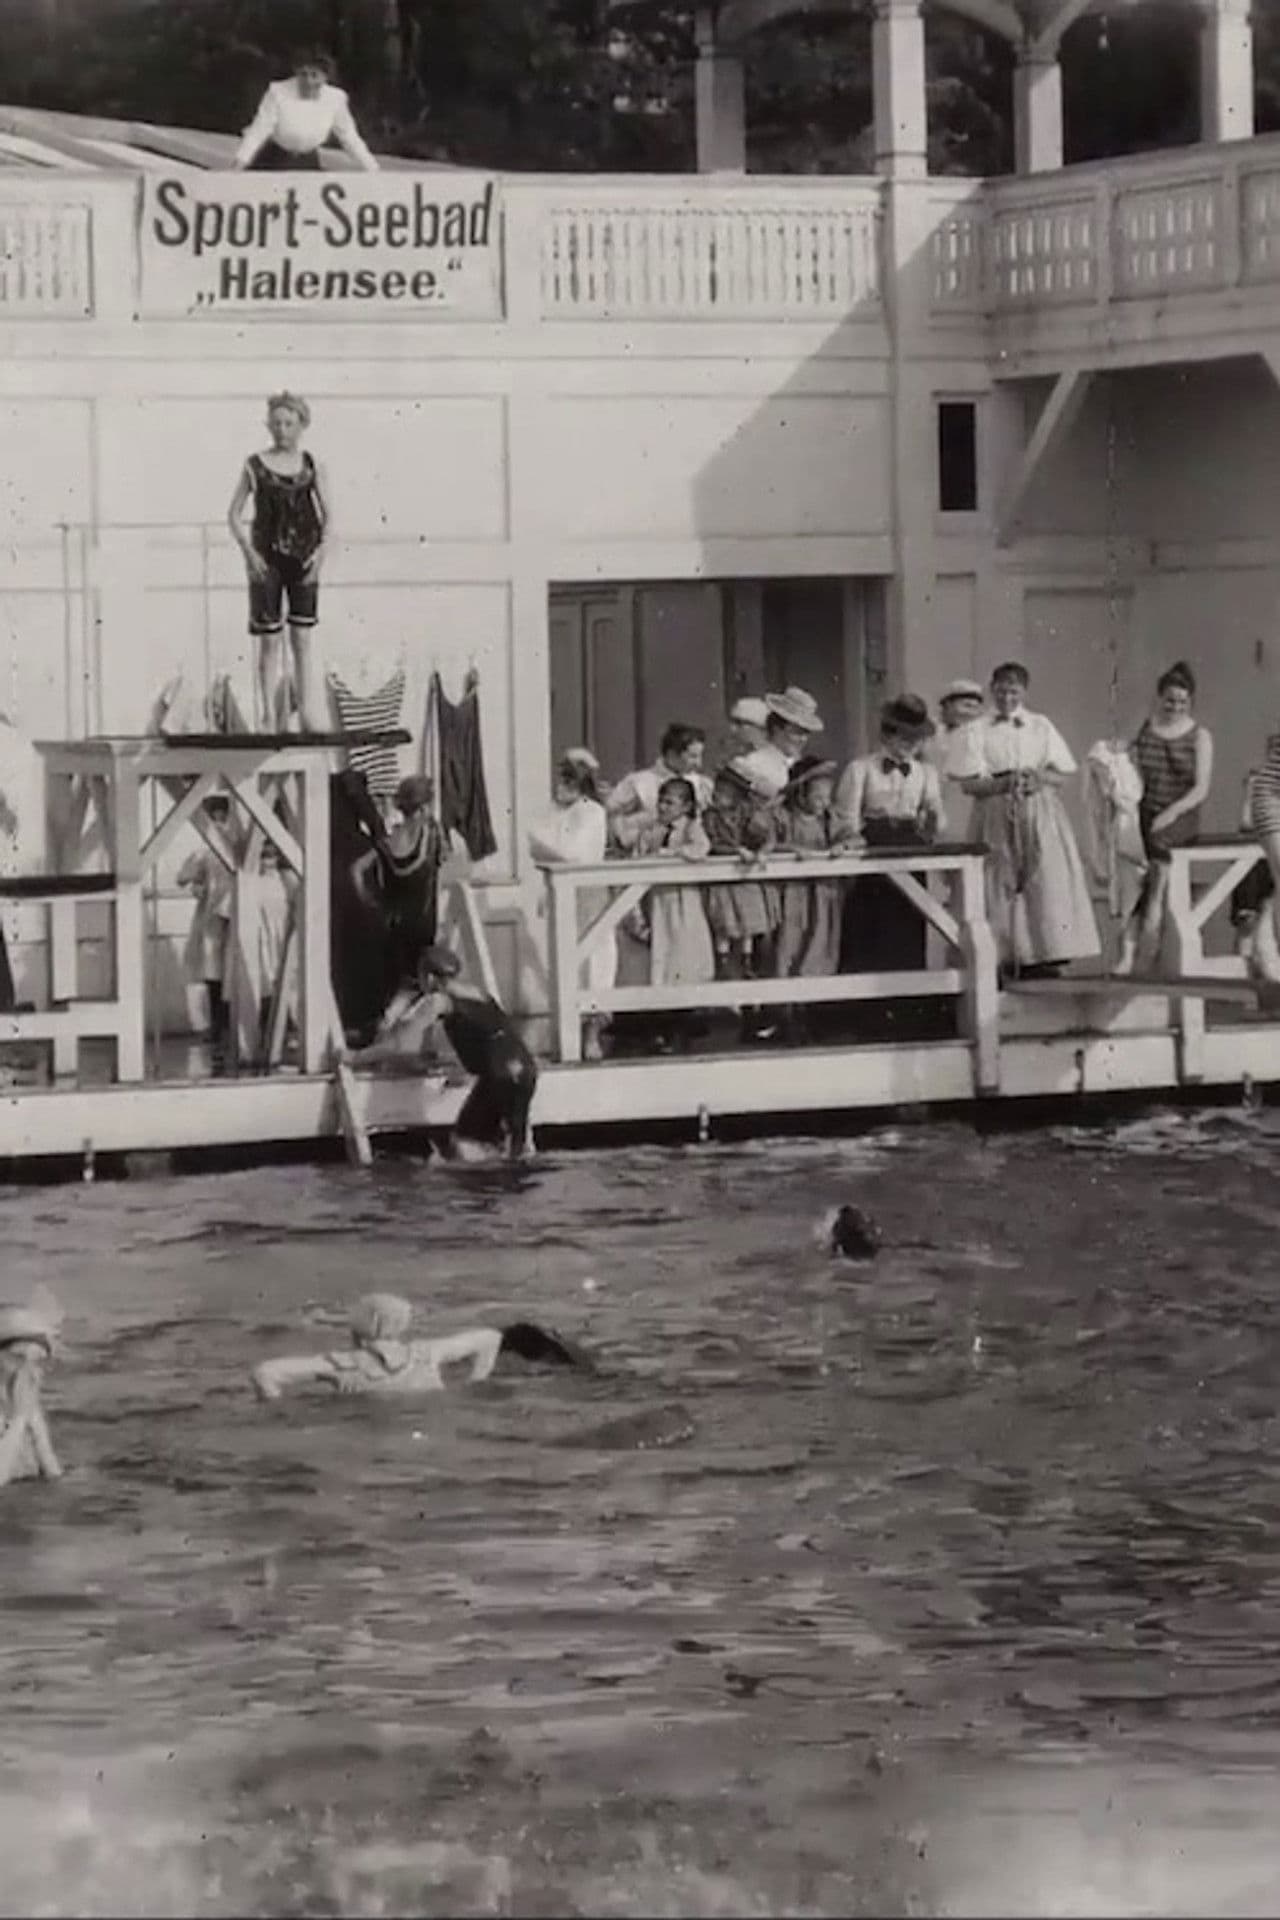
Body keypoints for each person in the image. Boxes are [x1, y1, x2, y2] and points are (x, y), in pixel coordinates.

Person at [952, 662, 1099, 982]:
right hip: (995, 809)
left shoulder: (1040, 725)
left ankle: (1044, 955)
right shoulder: (976, 730)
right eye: (1002, 690)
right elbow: (968, 784)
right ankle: (1002, 958)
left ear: (1024, 692)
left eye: (1014, 691)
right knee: (998, 879)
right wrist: (1001, 785)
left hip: (1038, 808)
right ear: (992, 689)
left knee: (1044, 878)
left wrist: (1040, 779)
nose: (1007, 696)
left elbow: (1063, 773)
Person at [833, 695, 946, 1037]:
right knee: (872, 936)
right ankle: (869, 1018)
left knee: (910, 932)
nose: (910, 745)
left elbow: (937, 816)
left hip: (911, 852)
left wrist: (932, 820)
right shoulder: (861, 769)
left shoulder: (926, 773)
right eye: (903, 738)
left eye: (916, 739)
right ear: (887, 736)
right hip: (874, 853)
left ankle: (908, 1016)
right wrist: (856, 837)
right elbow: (845, 818)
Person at [252, 1292, 588, 1402]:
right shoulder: (427, 1353)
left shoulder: (341, 1365)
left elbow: (266, 1371)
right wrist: (476, 1383)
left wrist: (276, 1409)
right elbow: (489, 1338)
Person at [227, 393, 330, 733]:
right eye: (277, 423)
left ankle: (307, 712)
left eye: (289, 423)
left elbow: (329, 517)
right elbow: (233, 515)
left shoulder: (312, 464)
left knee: (302, 637)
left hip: (303, 557)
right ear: (268, 425)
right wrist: (248, 552)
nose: (282, 430)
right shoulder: (255, 465)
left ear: (302, 425)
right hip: (266, 559)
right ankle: (269, 717)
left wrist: (320, 554)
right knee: (269, 639)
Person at [1120, 662, 1214, 975]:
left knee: (1158, 881)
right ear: (1159, 698)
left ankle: (1144, 959)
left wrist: (1170, 814)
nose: (1175, 707)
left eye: (1182, 702)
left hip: (1179, 815)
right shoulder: (1146, 727)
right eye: (1170, 700)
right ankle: (1131, 954)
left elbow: (1201, 789)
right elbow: (1125, 762)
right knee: (1135, 881)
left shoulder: (1200, 736)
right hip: (1145, 810)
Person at [613, 775, 714, 1053]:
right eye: (661, 800)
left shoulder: (691, 828)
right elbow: (638, 856)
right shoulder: (652, 831)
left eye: (670, 802)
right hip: (657, 902)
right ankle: (659, 1027)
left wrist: (672, 854)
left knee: (683, 961)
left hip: (682, 902)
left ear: (686, 806)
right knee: (660, 961)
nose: (663, 806)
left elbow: (700, 849)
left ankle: (682, 1024)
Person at [528, 749, 614, 1062]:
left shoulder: (591, 812)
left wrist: (547, 848)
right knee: (561, 961)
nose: (562, 784)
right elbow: (533, 841)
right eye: (561, 776)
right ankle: (567, 1034)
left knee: (595, 963)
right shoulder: (550, 811)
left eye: (570, 777)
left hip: (588, 893)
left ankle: (592, 1033)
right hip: (558, 892)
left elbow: (573, 852)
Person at [775, 756, 858, 1041]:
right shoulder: (785, 817)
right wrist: (791, 850)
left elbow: (855, 837)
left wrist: (843, 846)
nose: (823, 801)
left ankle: (814, 1014)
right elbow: (769, 843)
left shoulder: (829, 818)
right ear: (800, 793)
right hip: (794, 894)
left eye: (827, 795)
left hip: (824, 894)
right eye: (817, 795)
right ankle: (788, 1015)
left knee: (821, 947)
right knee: (790, 946)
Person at [353, 774, 444, 1020]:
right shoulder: (431, 834)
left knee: (401, 985)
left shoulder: (389, 841)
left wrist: (369, 901)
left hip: (393, 923)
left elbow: (357, 870)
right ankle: (388, 1035)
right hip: (423, 923)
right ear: (424, 806)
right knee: (416, 987)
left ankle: (392, 1036)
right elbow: (452, 864)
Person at [234, 51, 379, 173]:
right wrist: (239, 165)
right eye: (303, 74)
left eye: (314, 75)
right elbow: (259, 130)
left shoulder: (336, 98)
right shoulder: (278, 92)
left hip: (308, 163)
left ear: (325, 77)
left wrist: (373, 170)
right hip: (275, 160)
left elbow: (349, 138)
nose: (308, 81)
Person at [176, 796, 234, 1074]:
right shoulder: (207, 850)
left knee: (229, 972)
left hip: (234, 913)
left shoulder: (232, 845)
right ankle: (219, 1026)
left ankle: (228, 1026)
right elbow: (183, 876)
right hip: (214, 914)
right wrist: (197, 884)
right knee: (216, 973)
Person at [0, 1296, 63, 1489]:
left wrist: (32, 1420)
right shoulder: (17, 1410)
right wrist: (20, 1418)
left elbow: (54, 1476)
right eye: (18, 1358)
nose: (27, 1370)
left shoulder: (23, 1403)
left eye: (37, 1362)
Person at [606, 725, 712, 835]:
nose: (699, 764)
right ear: (672, 754)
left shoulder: (703, 785)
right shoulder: (638, 783)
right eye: (693, 756)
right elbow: (610, 816)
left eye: (700, 756)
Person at [734, 687, 825, 800]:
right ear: (777, 728)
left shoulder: (802, 767)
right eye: (796, 732)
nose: (803, 739)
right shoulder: (753, 764)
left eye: (806, 733)